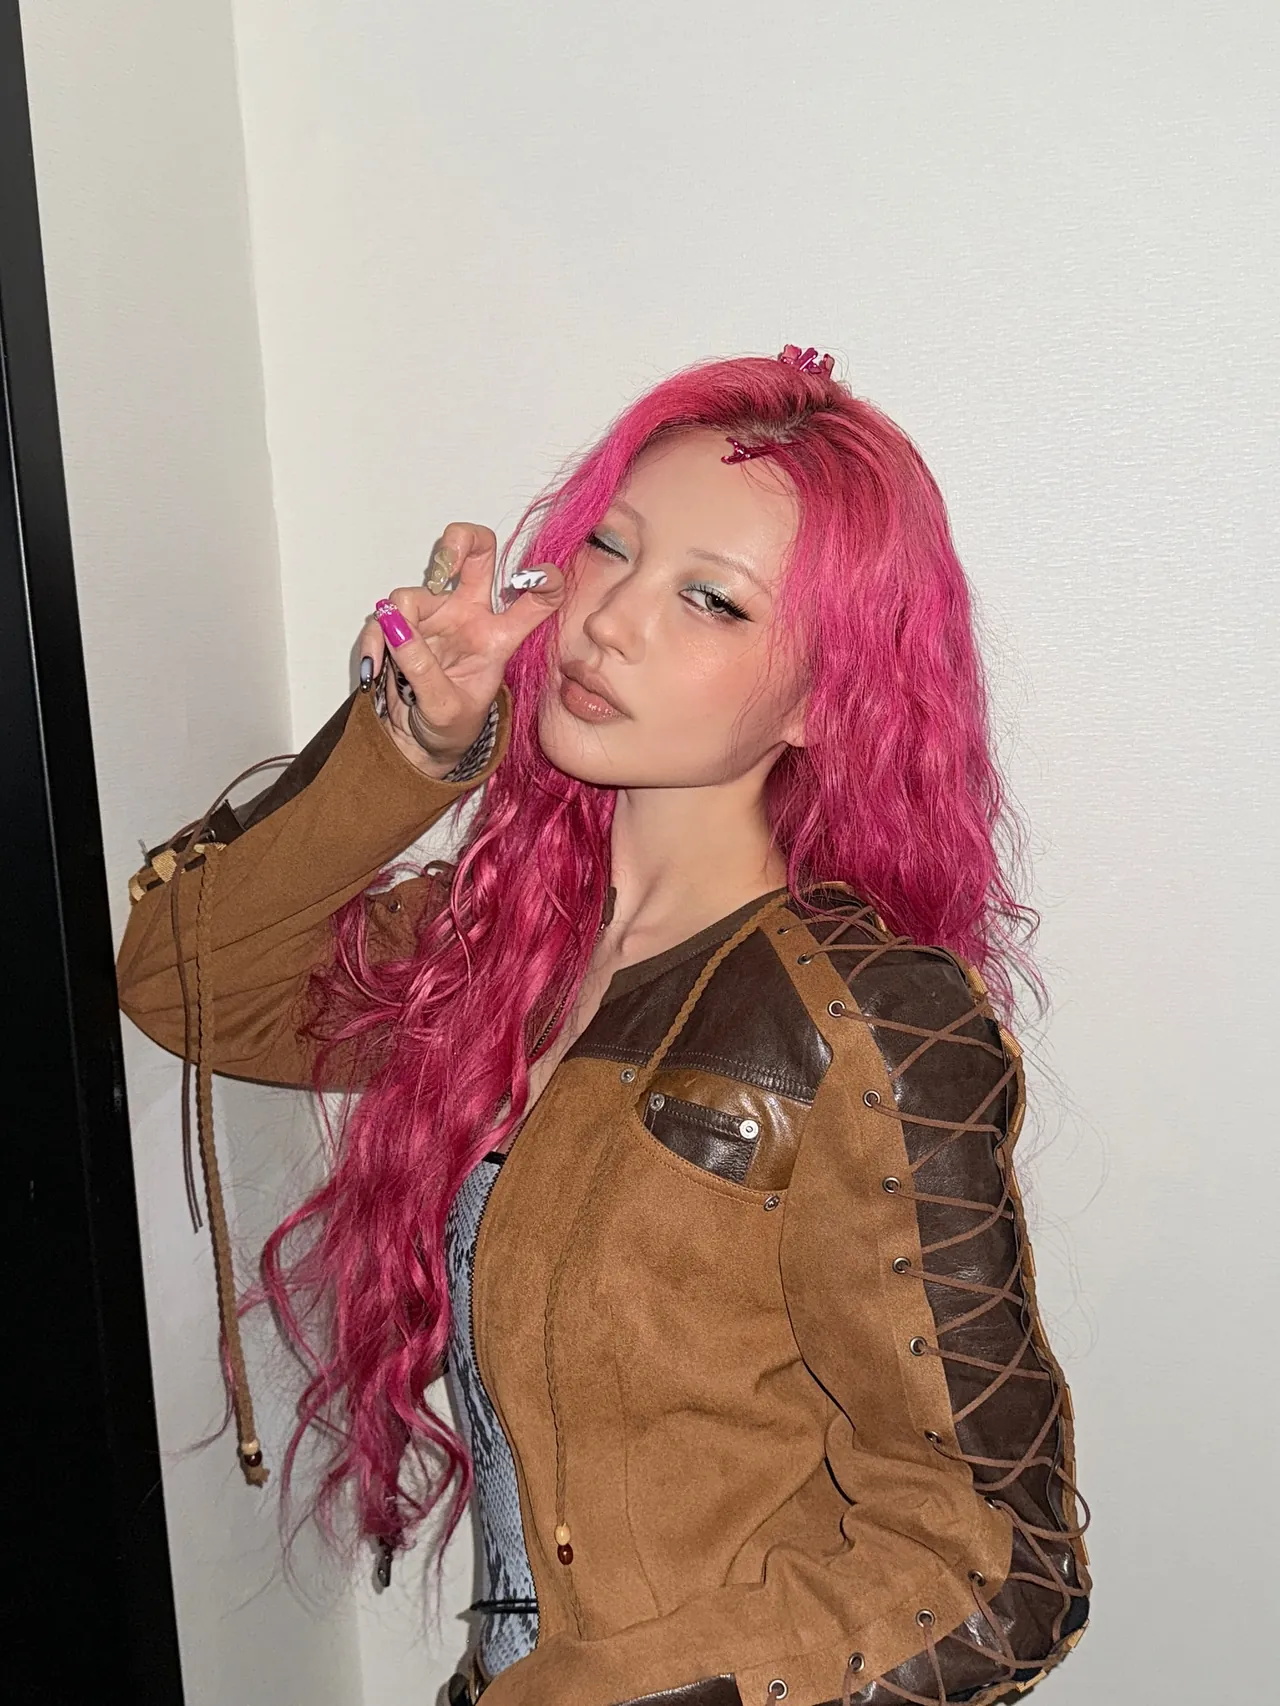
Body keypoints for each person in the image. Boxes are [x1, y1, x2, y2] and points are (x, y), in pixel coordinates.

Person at [116, 346, 1089, 1706]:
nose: (613, 620)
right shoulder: (501, 947)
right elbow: (189, 978)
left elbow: (1002, 1563)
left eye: (710, 599)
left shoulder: (865, 1021)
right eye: (609, 550)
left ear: (825, 698)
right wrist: (414, 742)